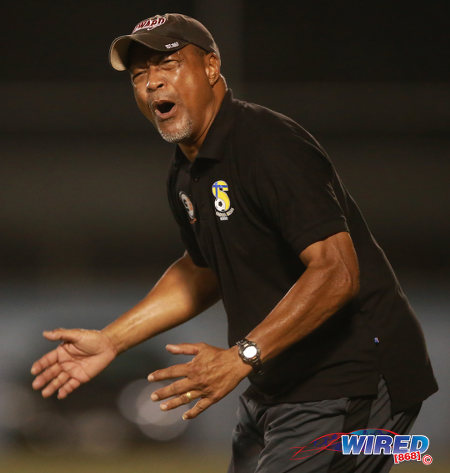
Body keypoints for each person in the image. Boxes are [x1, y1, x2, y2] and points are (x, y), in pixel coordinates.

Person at [31, 13, 437, 473]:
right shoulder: (186, 170)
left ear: (210, 67)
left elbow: (337, 272)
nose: (151, 83)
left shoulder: (268, 144)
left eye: (168, 64)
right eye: (140, 74)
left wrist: (242, 356)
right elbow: (202, 270)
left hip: (354, 376)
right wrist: (112, 339)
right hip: (279, 383)